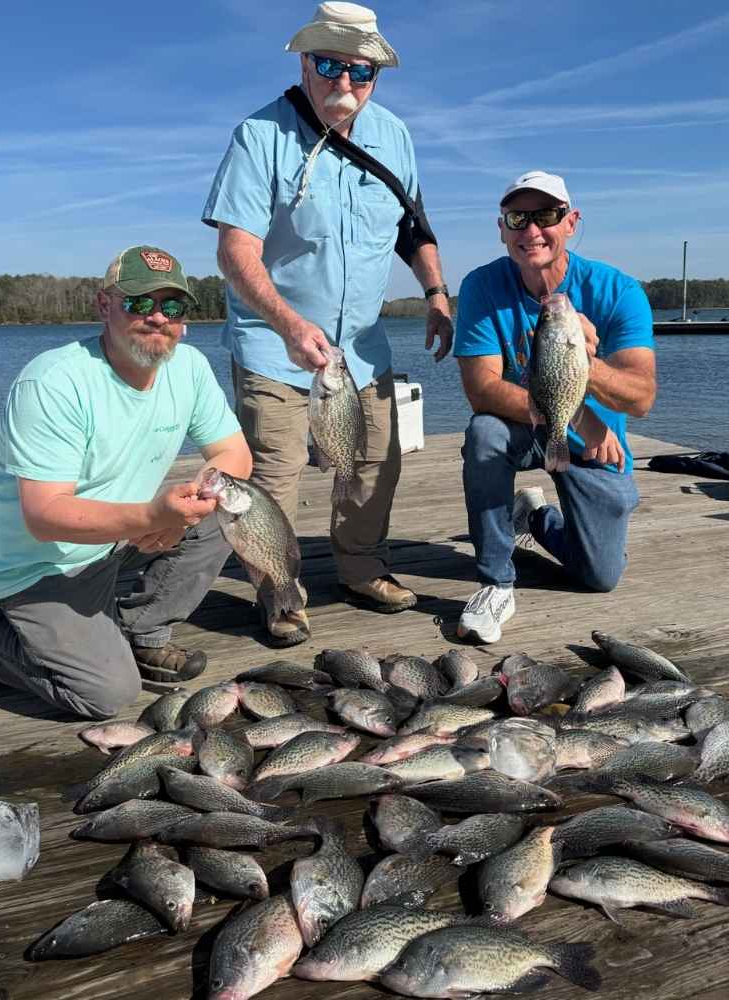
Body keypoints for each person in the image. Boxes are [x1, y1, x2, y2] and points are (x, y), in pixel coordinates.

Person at [201, 2, 453, 648]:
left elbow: (413, 227)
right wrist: (287, 324)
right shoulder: (259, 138)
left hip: (360, 351)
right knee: (273, 477)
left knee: (374, 462)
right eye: (329, 65)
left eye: (360, 71)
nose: (345, 82)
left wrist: (435, 293)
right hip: (273, 346)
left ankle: (363, 566)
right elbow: (235, 252)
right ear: (305, 62)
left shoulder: (395, 138)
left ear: (375, 75)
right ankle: (280, 590)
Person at [0, 245, 253, 719]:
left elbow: (235, 455)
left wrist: (186, 509)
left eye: (171, 306)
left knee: (231, 509)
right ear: (104, 305)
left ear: (185, 319)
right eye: (139, 303)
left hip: (114, 540)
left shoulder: (189, 368)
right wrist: (152, 516)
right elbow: (45, 517)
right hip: (35, 565)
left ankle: (138, 629)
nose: (156, 318)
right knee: (106, 695)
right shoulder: (54, 382)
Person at [453, 171, 657, 644]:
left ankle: (536, 518)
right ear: (501, 228)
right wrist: (577, 413)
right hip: (525, 423)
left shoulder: (618, 290)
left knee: (599, 576)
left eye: (546, 216)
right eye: (517, 218)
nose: (531, 231)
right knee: (484, 432)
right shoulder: (483, 288)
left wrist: (590, 364)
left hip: (594, 444)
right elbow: (481, 389)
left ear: (571, 222)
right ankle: (496, 581)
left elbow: (642, 399)